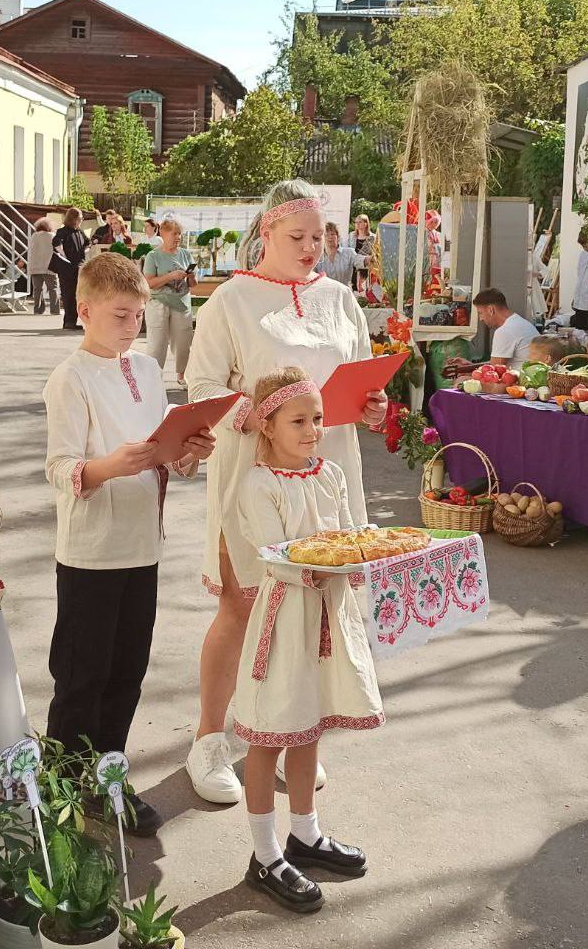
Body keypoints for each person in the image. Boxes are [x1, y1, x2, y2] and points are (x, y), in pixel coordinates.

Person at [184, 179, 386, 805]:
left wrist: (372, 405)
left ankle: (286, 735)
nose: (311, 248)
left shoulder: (342, 300)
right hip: (255, 479)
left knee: (314, 608)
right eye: (296, 237)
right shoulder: (231, 300)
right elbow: (200, 386)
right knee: (245, 605)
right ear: (265, 232)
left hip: (330, 478)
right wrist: (255, 411)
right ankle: (210, 739)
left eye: (319, 237)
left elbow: (356, 379)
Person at [42, 253, 216, 835]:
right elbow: (60, 466)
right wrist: (107, 467)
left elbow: (163, 448)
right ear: (83, 309)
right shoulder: (70, 378)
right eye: (120, 314)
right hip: (92, 549)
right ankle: (61, 787)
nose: (131, 326)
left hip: (145, 544)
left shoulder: (144, 370)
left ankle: (108, 776)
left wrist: (188, 450)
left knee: (128, 670)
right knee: (81, 673)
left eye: (139, 316)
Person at [233, 366, 379, 913]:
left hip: (329, 613)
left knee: (309, 722)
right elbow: (278, 553)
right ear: (267, 426)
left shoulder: (331, 474)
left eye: (317, 418)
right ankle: (265, 853)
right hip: (288, 617)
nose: (313, 429)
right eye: (299, 420)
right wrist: (335, 559)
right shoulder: (257, 484)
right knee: (271, 731)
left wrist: (372, 555)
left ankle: (306, 834)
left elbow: (347, 532)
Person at [142, 218, 195, 384]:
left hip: (181, 304)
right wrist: (171, 276)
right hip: (159, 304)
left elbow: (193, 285)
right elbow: (149, 283)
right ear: (163, 233)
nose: (178, 237)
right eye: (174, 233)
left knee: (183, 343)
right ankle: (154, 378)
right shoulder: (153, 255)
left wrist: (191, 277)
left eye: (179, 233)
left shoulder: (186, 254)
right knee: (157, 344)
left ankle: (182, 375)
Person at [472, 288, 539, 371]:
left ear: (491, 310)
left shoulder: (505, 331)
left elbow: (493, 371)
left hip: (522, 381)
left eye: (480, 313)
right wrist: (469, 366)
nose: (480, 319)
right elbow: (496, 362)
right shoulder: (519, 322)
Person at [52, 207, 90, 331]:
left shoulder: (79, 231)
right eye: (79, 218)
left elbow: (87, 243)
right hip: (67, 268)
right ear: (73, 219)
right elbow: (56, 243)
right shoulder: (62, 232)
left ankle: (72, 321)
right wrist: (64, 255)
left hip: (78, 266)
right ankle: (69, 321)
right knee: (68, 294)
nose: (81, 221)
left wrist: (88, 247)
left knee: (76, 294)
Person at [27, 218, 61, 315]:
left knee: (37, 289)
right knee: (53, 288)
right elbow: (58, 249)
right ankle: (54, 310)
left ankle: (37, 310)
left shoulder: (33, 236)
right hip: (48, 266)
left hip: (34, 266)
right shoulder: (52, 236)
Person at [315, 222, 366, 286]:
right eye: (326, 235)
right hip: (324, 293)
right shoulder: (316, 256)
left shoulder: (349, 253)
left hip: (344, 293)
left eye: (332, 234)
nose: (330, 237)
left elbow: (361, 260)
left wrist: (371, 259)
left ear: (338, 237)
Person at [347, 214, 375, 291]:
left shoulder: (373, 237)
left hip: (366, 269)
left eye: (360, 222)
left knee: (365, 291)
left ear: (366, 223)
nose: (357, 224)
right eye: (356, 222)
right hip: (353, 268)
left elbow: (375, 253)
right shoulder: (351, 236)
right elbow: (348, 250)